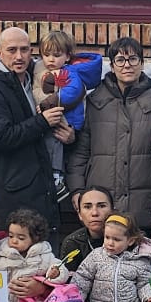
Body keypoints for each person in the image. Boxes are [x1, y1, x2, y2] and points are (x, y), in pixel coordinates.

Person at [69, 36, 151, 227]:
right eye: (120, 60)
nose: (127, 65)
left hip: (142, 204)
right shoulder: (94, 102)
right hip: (100, 204)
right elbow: (80, 152)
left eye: (133, 59)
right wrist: (76, 189)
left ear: (142, 63)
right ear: (112, 65)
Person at [0, 26, 66, 229]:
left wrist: (68, 134)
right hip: (9, 192)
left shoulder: (32, 78)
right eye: (12, 50)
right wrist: (42, 122)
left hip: (36, 188)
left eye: (24, 50)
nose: (19, 56)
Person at [38, 29, 103, 213]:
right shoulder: (43, 71)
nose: (51, 59)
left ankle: (57, 175)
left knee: (56, 142)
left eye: (56, 55)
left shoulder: (68, 72)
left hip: (69, 121)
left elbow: (72, 92)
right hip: (59, 116)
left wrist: (48, 103)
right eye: (47, 54)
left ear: (67, 56)